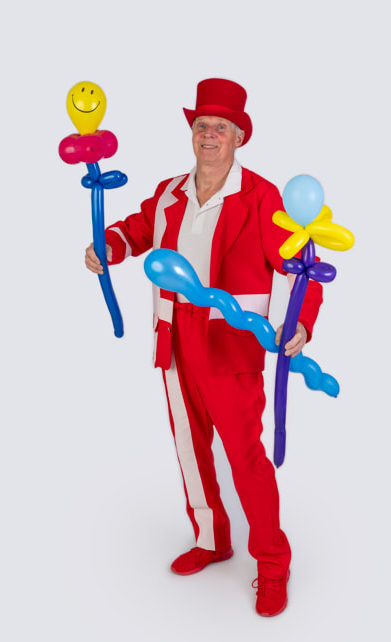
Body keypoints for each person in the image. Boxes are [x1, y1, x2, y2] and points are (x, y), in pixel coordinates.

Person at [85, 78, 322, 617]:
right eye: (201, 125)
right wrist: (107, 247)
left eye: (220, 127)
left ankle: (272, 564)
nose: (208, 134)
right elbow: (135, 231)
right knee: (191, 451)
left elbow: (304, 267)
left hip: (231, 345)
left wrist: (301, 324)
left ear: (240, 137)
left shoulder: (262, 197)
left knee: (246, 460)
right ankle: (213, 539)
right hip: (173, 337)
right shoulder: (169, 192)